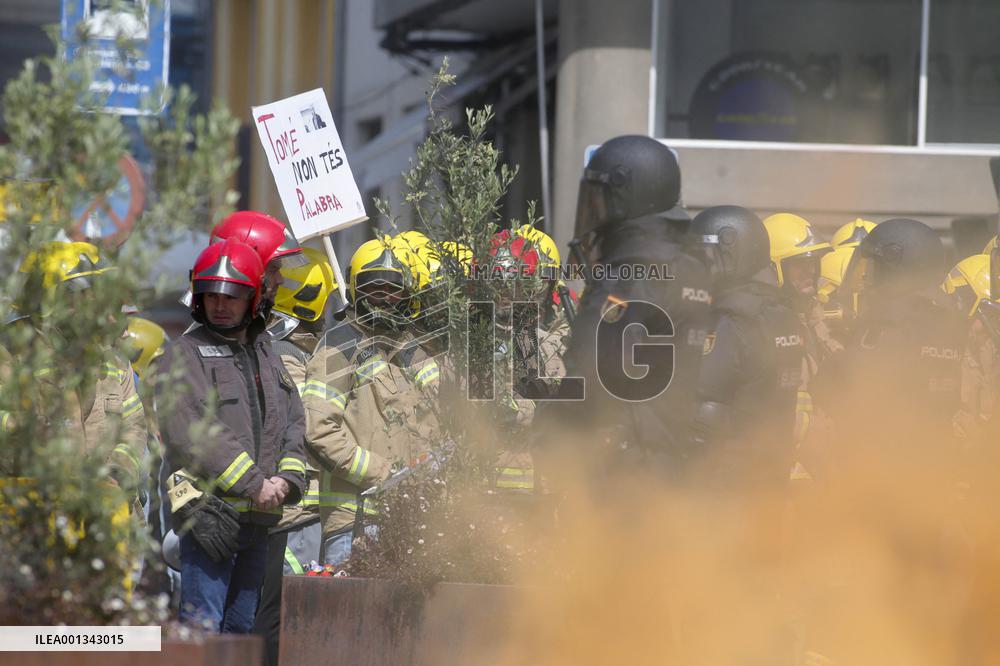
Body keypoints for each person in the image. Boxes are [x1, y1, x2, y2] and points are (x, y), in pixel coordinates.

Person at [541, 134, 714, 481]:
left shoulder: (628, 279)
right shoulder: (691, 269)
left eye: (599, 199)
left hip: (625, 475)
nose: (594, 212)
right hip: (672, 463)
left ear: (624, 197)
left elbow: (589, 376)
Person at [156, 238, 307, 632]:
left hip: (258, 522)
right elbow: (193, 429)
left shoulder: (266, 353)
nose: (220, 305)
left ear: (252, 298)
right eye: (212, 296)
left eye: (232, 297)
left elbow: (292, 419)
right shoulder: (184, 354)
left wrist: (288, 478)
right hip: (211, 523)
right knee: (203, 631)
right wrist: (255, 483)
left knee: (241, 633)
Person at [302, 236, 441, 567]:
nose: (385, 298)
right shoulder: (338, 346)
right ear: (355, 290)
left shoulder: (414, 348)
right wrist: (385, 473)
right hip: (356, 521)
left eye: (394, 290)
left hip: (413, 516)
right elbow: (318, 430)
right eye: (374, 289)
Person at [253, 246, 345, 666]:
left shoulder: (276, 348)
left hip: (284, 507)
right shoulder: (291, 357)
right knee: (283, 618)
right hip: (296, 512)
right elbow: (306, 427)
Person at [688, 206, 805, 489]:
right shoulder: (782, 313)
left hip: (723, 481)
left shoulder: (731, 320)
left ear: (729, 253)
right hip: (769, 473)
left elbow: (706, 411)